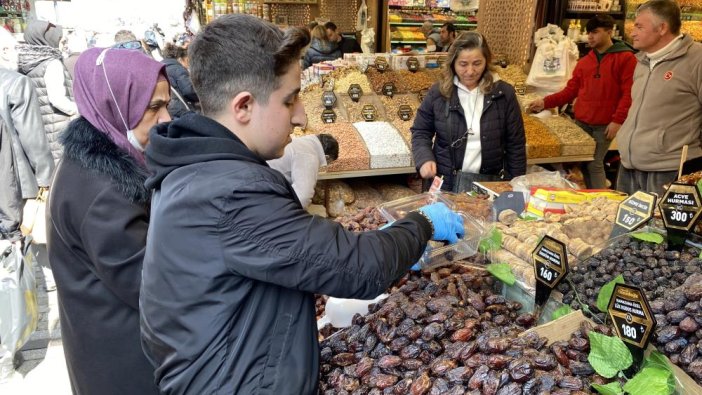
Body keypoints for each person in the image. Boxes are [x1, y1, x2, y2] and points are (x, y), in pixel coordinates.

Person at [139, 14, 464, 394]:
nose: (301, 116)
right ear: (243, 106)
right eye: (290, 100)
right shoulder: (231, 193)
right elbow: (361, 268)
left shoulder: (192, 171)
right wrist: (421, 222)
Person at [46, 47, 170, 395]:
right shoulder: (104, 192)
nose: (166, 119)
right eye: (154, 107)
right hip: (125, 363)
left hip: (107, 350)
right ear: (115, 104)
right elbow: (152, 287)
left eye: (166, 105)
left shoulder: (93, 165)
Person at [527, 14, 637, 189]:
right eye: (588, 32)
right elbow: (571, 91)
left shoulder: (626, 58)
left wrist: (617, 120)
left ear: (609, 32)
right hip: (582, 121)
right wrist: (545, 102)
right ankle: (587, 198)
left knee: (594, 164)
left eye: (594, 32)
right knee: (580, 163)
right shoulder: (585, 61)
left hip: (605, 124)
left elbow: (629, 93)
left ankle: (600, 200)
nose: (589, 37)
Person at [411, 31, 526, 193]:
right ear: (453, 63)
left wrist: (515, 186)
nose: (470, 71)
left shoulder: (503, 94)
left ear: (487, 61)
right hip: (445, 183)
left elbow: (516, 145)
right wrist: (424, 158)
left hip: (488, 186)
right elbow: (421, 131)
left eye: (477, 63)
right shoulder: (439, 92)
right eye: (463, 64)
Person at [616, 0, 702, 196]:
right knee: (621, 227)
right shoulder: (642, 60)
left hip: (668, 171)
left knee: (659, 228)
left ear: (662, 28)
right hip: (628, 167)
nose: (632, 32)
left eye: (639, 26)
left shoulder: (697, 59)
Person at [0, 28, 54, 239]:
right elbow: (33, 138)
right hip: (17, 182)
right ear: (4, 51)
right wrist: (47, 178)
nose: (19, 54)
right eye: (15, 49)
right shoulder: (16, 82)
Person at [17, 20, 78, 163]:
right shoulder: (52, 63)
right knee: (64, 170)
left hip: (41, 126)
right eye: (58, 40)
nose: (61, 43)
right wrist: (78, 110)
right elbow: (57, 99)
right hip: (59, 127)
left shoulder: (27, 62)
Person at [267, 133, 338, 208]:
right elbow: (303, 197)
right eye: (327, 162)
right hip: (267, 191)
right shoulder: (310, 155)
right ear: (326, 157)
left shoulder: (303, 143)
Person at [162, 42, 199, 118]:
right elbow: (189, 90)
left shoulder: (162, 69)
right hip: (185, 109)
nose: (187, 64)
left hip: (171, 109)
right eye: (187, 60)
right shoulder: (178, 69)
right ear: (180, 59)